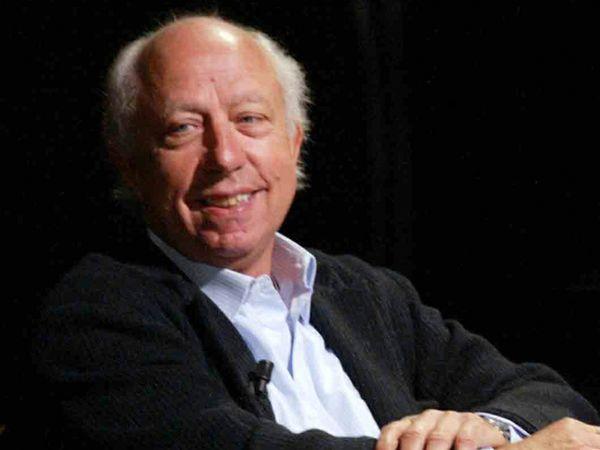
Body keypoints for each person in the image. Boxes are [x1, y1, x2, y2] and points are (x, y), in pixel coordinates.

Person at [30, 14, 600, 450]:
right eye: (183, 128)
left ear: (294, 142)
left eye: (250, 119)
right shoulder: (95, 316)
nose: (224, 156)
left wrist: (490, 428)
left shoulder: (367, 294)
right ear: (130, 163)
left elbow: (550, 398)